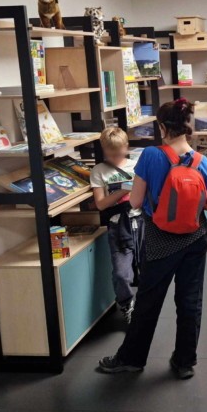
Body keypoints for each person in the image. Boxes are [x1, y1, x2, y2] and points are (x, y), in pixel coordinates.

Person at [98, 98, 207, 379]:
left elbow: (137, 201)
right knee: (190, 300)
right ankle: (184, 361)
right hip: (195, 236)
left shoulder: (151, 156)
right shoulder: (201, 161)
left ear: (162, 126)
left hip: (159, 238)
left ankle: (131, 358)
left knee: (148, 301)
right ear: (187, 126)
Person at [90, 127, 144, 323]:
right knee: (122, 273)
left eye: (119, 152)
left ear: (126, 147)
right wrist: (123, 191)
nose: (115, 157)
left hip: (141, 222)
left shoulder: (137, 165)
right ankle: (126, 303)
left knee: (148, 269)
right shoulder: (98, 171)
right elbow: (101, 204)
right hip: (117, 227)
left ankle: (145, 307)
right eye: (111, 153)